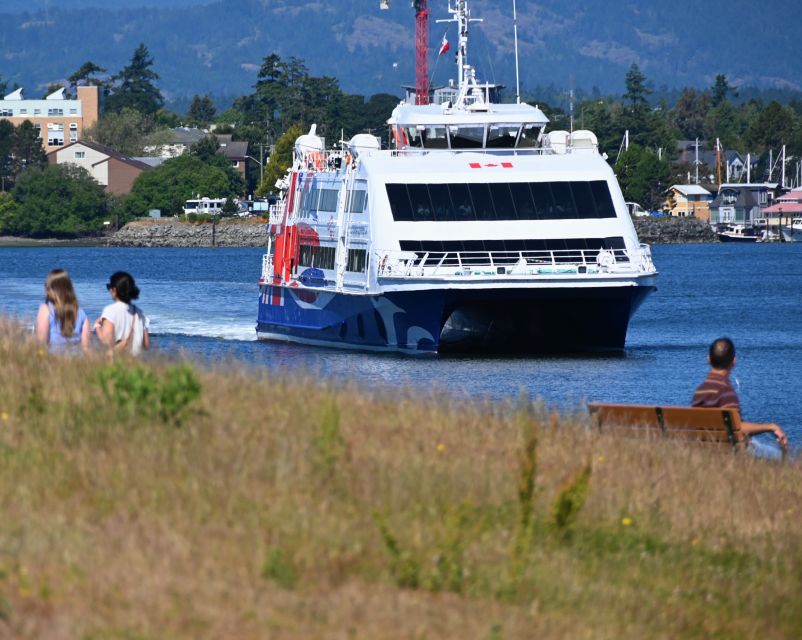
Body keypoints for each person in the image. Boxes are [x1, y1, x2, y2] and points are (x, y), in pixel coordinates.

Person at [692, 337, 787, 452]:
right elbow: (738, 428)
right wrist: (771, 427)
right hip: (728, 451)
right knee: (777, 453)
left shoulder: (700, 391)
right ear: (734, 361)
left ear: (709, 360)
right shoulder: (725, 391)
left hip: (705, 449)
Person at [35, 269, 91, 352]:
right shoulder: (81, 312)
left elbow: (41, 344)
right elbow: (86, 348)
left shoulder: (46, 310)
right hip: (76, 362)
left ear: (50, 289)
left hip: (53, 361)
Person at [95, 271, 150, 356]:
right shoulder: (140, 313)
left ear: (114, 290)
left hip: (119, 364)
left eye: (109, 287)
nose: (109, 290)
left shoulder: (110, 311)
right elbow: (146, 345)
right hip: (137, 365)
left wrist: (97, 326)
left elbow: (106, 343)